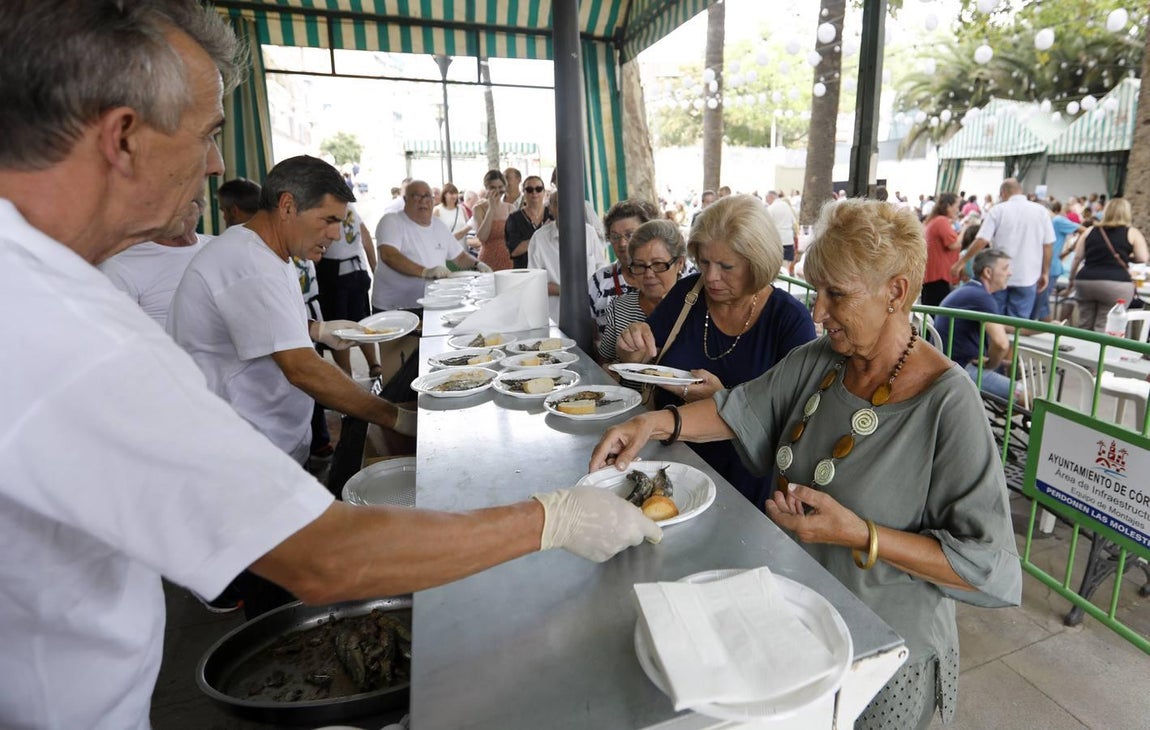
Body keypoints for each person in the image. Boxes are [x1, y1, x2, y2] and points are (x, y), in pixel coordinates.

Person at [0, 5, 660, 725]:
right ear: (123, 137)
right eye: (208, 134)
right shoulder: (62, 328)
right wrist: (553, 517)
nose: (217, 165)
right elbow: (325, 558)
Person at [592, 198, 1021, 729]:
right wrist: (652, 424)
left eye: (836, 295)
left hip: (884, 649)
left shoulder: (946, 402)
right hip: (798, 622)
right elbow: (738, 409)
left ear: (896, 292)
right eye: (817, 292)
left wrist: (860, 534)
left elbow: (991, 568)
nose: (817, 312)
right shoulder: (822, 361)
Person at [614, 195, 816, 508]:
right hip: (669, 469)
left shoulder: (788, 320)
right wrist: (631, 350)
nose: (710, 277)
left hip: (744, 489)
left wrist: (723, 398)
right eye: (704, 262)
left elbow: (796, 424)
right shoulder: (688, 292)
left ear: (758, 262)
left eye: (726, 266)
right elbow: (642, 361)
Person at [372, 179, 491, 311]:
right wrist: (425, 272)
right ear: (405, 200)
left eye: (427, 196)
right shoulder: (392, 221)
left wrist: (477, 264)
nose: (423, 200)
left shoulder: (439, 226)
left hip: (432, 303)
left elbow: (460, 257)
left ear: (433, 200)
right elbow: (389, 255)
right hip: (394, 307)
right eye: (417, 196)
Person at [953, 178, 1054, 320]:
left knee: (994, 320)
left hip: (997, 276)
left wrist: (962, 262)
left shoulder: (998, 210)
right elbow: (1048, 245)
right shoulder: (1041, 212)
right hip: (1028, 276)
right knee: (1017, 324)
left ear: (1003, 193)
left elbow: (982, 240)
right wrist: (1045, 272)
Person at [98, 199, 209, 328]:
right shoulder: (121, 263)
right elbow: (117, 328)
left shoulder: (218, 248)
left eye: (185, 203)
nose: (177, 213)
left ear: (199, 209)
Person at [934, 249, 1018, 401]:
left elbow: (1003, 325)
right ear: (987, 272)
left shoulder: (971, 291)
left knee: (1012, 363)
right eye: (1005, 268)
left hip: (946, 363)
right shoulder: (982, 298)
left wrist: (1041, 328)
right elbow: (1001, 344)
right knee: (1029, 395)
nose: (1010, 273)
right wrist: (991, 365)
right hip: (960, 369)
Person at [598, 219, 687, 364]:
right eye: (639, 265)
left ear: (680, 263)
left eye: (658, 264)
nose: (649, 274)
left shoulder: (697, 309)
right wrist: (609, 370)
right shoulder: (620, 308)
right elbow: (605, 359)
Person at [317, 202, 382, 378]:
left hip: (348, 271)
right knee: (345, 325)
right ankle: (352, 372)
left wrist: (374, 267)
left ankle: (367, 367)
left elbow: (365, 235)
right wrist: (373, 266)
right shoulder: (344, 207)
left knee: (356, 323)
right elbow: (365, 235)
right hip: (343, 270)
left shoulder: (340, 206)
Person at [1066, 197, 1149, 332]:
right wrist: (1127, 256)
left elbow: (1077, 258)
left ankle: (1080, 349)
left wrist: (1071, 280)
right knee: (1105, 325)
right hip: (1116, 284)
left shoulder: (1090, 230)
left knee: (1084, 323)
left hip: (1086, 281)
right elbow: (1143, 257)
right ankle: (1098, 352)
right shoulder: (1132, 232)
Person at [588, 199, 661, 348]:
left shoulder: (672, 273)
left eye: (630, 234)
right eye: (615, 237)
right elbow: (590, 332)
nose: (622, 243)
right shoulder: (599, 281)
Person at [528, 192, 606, 324]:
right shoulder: (539, 238)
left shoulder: (590, 233)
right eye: (558, 203)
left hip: (590, 314)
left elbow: (601, 269)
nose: (566, 207)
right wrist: (567, 291)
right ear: (550, 208)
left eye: (569, 202)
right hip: (555, 317)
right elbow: (533, 282)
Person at [1033, 200, 1083, 322]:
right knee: (1039, 305)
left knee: (1040, 306)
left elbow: (1085, 230)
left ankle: (1049, 330)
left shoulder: (1058, 221)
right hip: (1040, 267)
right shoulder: (1045, 222)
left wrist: (1073, 248)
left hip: (1050, 268)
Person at [921, 192, 960, 306]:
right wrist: (966, 230)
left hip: (932, 276)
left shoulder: (934, 220)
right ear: (948, 206)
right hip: (938, 276)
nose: (958, 210)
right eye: (956, 207)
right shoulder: (941, 221)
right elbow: (953, 244)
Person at [504, 174, 552, 268]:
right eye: (529, 190)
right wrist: (541, 234)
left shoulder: (552, 215)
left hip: (550, 270)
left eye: (538, 189)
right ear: (524, 192)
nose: (534, 193)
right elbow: (515, 251)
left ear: (544, 191)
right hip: (524, 270)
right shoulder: (514, 219)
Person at [471, 169, 515, 271]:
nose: (497, 191)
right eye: (492, 187)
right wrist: (491, 209)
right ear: (486, 188)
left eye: (500, 187)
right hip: (488, 259)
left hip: (508, 259)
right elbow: (482, 237)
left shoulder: (510, 208)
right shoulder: (479, 208)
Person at [765, 190, 799, 272]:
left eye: (767, 199)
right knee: (787, 267)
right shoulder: (786, 206)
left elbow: (767, 225)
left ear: (771, 197)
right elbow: (794, 222)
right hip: (788, 240)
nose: (766, 201)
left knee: (777, 268)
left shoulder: (770, 208)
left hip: (777, 242)